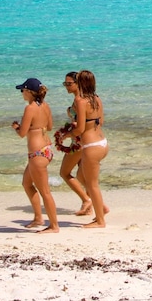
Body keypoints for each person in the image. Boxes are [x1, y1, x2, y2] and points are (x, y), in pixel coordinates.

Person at [12, 77, 59, 233]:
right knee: (27, 184)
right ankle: (39, 218)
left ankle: (54, 226)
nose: (21, 93)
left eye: (22, 90)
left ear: (29, 92)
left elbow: (22, 133)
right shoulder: (45, 106)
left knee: (45, 192)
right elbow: (50, 127)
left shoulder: (30, 108)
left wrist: (16, 127)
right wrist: (38, 127)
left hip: (37, 153)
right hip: (46, 149)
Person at [69, 70, 108, 228]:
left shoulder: (80, 100)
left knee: (92, 184)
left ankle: (100, 221)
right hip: (102, 142)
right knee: (81, 176)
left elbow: (80, 129)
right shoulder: (96, 99)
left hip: (91, 146)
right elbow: (101, 121)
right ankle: (102, 209)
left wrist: (66, 135)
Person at [54, 71, 92, 216]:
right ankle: (90, 207)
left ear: (78, 83)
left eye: (69, 84)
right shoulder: (88, 98)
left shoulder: (79, 100)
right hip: (87, 141)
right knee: (84, 176)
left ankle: (86, 199)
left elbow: (80, 125)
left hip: (78, 141)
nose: (66, 87)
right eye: (65, 84)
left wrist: (66, 134)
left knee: (64, 172)